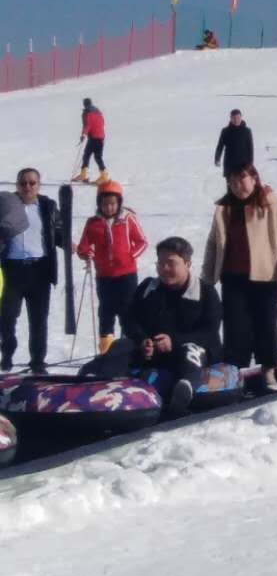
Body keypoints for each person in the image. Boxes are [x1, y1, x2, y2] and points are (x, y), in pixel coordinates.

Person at [91, 236, 221, 415]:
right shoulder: (148, 287)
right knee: (121, 346)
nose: (164, 269)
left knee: (190, 350)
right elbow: (130, 319)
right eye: (160, 263)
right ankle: (96, 383)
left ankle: (184, 390)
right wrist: (143, 340)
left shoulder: (205, 292)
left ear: (187, 264)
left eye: (171, 263)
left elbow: (209, 332)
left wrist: (174, 341)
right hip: (152, 351)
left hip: (187, 350)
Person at [200, 165, 277, 391]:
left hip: (266, 275)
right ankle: (235, 373)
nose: (237, 185)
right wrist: (207, 277)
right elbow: (213, 243)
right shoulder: (224, 208)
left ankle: (269, 369)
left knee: (266, 324)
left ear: (254, 179)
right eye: (232, 181)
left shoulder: (271, 203)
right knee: (235, 326)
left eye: (242, 179)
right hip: (233, 276)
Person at [75, 180, 147, 355]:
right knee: (106, 310)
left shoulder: (127, 219)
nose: (109, 207)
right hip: (104, 276)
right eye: (105, 204)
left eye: (113, 204)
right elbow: (83, 247)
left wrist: (130, 256)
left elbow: (142, 242)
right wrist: (87, 254)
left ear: (119, 203)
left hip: (126, 274)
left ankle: (130, 347)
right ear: (99, 203)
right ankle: (106, 349)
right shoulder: (93, 222)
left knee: (127, 311)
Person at [1, 169, 60, 373]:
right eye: (23, 183)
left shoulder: (47, 206)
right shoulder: (6, 205)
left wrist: (73, 246)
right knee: (7, 316)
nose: (28, 187)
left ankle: (37, 361)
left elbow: (58, 232)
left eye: (32, 183)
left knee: (38, 319)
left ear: (39, 185)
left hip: (40, 269)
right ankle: (7, 353)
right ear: (17, 185)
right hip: (11, 270)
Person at [74, 97, 107, 183]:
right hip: (100, 136)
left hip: (93, 137)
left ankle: (103, 176)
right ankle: (84, 174)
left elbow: (87, 125)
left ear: (84, 104)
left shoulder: (87, 113)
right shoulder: (99, 112)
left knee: (93, 156)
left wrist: (83, 135)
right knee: (89, 155)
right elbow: (103, 123)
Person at [214, 109, 254, 175]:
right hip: (230, 164)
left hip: (244, 164)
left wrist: (250, 163)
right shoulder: (225, 131)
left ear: (241, 117)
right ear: (231, 118)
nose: (236, 120)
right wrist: (217, 158)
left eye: (238, 118)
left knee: (246, 184)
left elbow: (250, 148)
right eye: (234, 118)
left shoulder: (247, 131)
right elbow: (220, 146)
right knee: (231, 185)